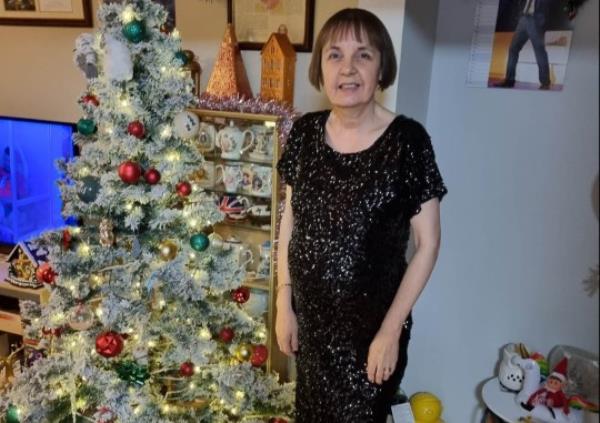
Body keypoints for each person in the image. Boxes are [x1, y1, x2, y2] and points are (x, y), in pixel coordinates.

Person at [275, 8, 447, 422]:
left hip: (371, 335)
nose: (347, 68)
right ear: (320, 67)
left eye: (363, 55)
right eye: (335, 55)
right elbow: (290, 221)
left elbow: (428, 245)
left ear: (381, 66)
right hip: (312, 327)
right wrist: (285, 301)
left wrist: (390, 331)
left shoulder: (408, 142)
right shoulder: (303, 133)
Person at [495, 0, 552, 90]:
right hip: (523, 19)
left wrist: (543, 21)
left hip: (536, 19)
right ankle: (509, 80)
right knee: (513, 49)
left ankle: (545, 83)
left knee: (539, 51)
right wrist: (520, 15)